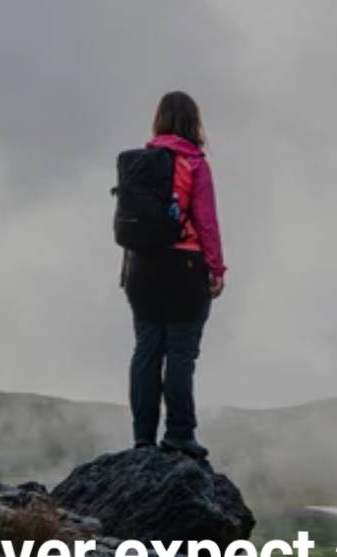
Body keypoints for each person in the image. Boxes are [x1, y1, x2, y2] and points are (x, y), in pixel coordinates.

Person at [123, 91, 225, 458]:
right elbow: (206, 222)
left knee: (147, 349)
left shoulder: (140, 163)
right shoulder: (194, 163)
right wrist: (216, 268)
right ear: (193, 122)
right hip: (184, 268)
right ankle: (180, 434)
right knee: (181, 353)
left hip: (140, 269)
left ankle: (142, 438)